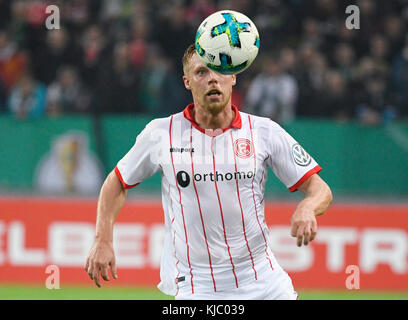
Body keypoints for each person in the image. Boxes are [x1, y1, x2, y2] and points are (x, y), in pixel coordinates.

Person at [85, 44, 333, 300]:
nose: (212, 78)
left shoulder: (264, 131)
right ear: (187, 82)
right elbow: (116, 181)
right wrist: (102, 239)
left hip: (263, 280)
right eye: (201, 72)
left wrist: (308, 206)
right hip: (198, 286)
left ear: (234, 76)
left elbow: (320, 189)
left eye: (220, 70)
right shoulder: (161, 133)